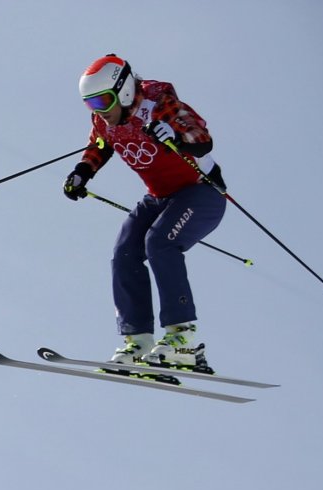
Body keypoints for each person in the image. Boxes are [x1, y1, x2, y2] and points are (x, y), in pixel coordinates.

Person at [63, 54, 226, 372]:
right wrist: (83, 172)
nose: (99, 111)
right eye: (90, 104)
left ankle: (184, 340)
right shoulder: (104, 120)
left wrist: (175, 137)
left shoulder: (158, 103)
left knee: (160, 243)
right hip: (159, 197)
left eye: (102, 101)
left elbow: (202, 140)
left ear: (123, 91)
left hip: (200, 192)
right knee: (124, 252)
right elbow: (99, 144)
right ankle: (139, 340)